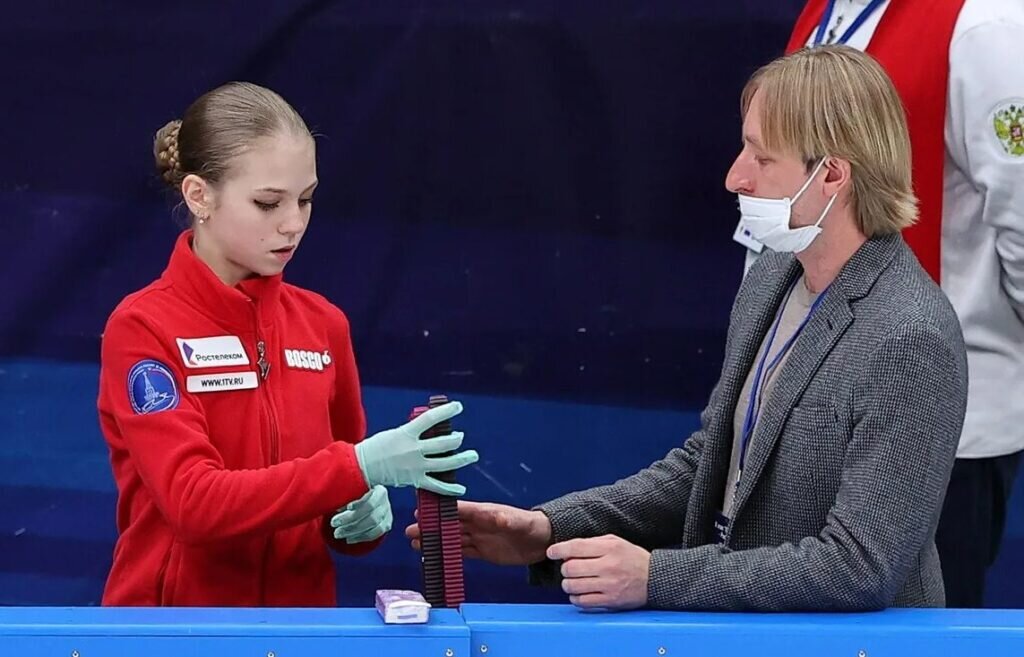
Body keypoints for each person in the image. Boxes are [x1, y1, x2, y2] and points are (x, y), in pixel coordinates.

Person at [408, 46, 969, 611]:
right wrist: (548, 530)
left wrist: (658, 578)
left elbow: (860, 565)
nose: (735, 177)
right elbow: (713, 462)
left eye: (762, 157)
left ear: (831, 175)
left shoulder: (910, 336)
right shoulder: (772, 278)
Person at [97, 82, 478, 606]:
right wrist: (359, 467)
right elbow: (192, 504)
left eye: (306, 199)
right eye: (267, 203)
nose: (294, 223)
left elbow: (334, 502)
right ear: (199, 195)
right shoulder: (143, 325)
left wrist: (359, 518)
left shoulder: (323, 324)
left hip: (298, 627)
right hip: (175, 629)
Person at [741, 0, 1024, 608]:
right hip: (814, 398)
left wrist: (954, 348)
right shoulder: (828, 11)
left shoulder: (985, 23)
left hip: (942, 420)